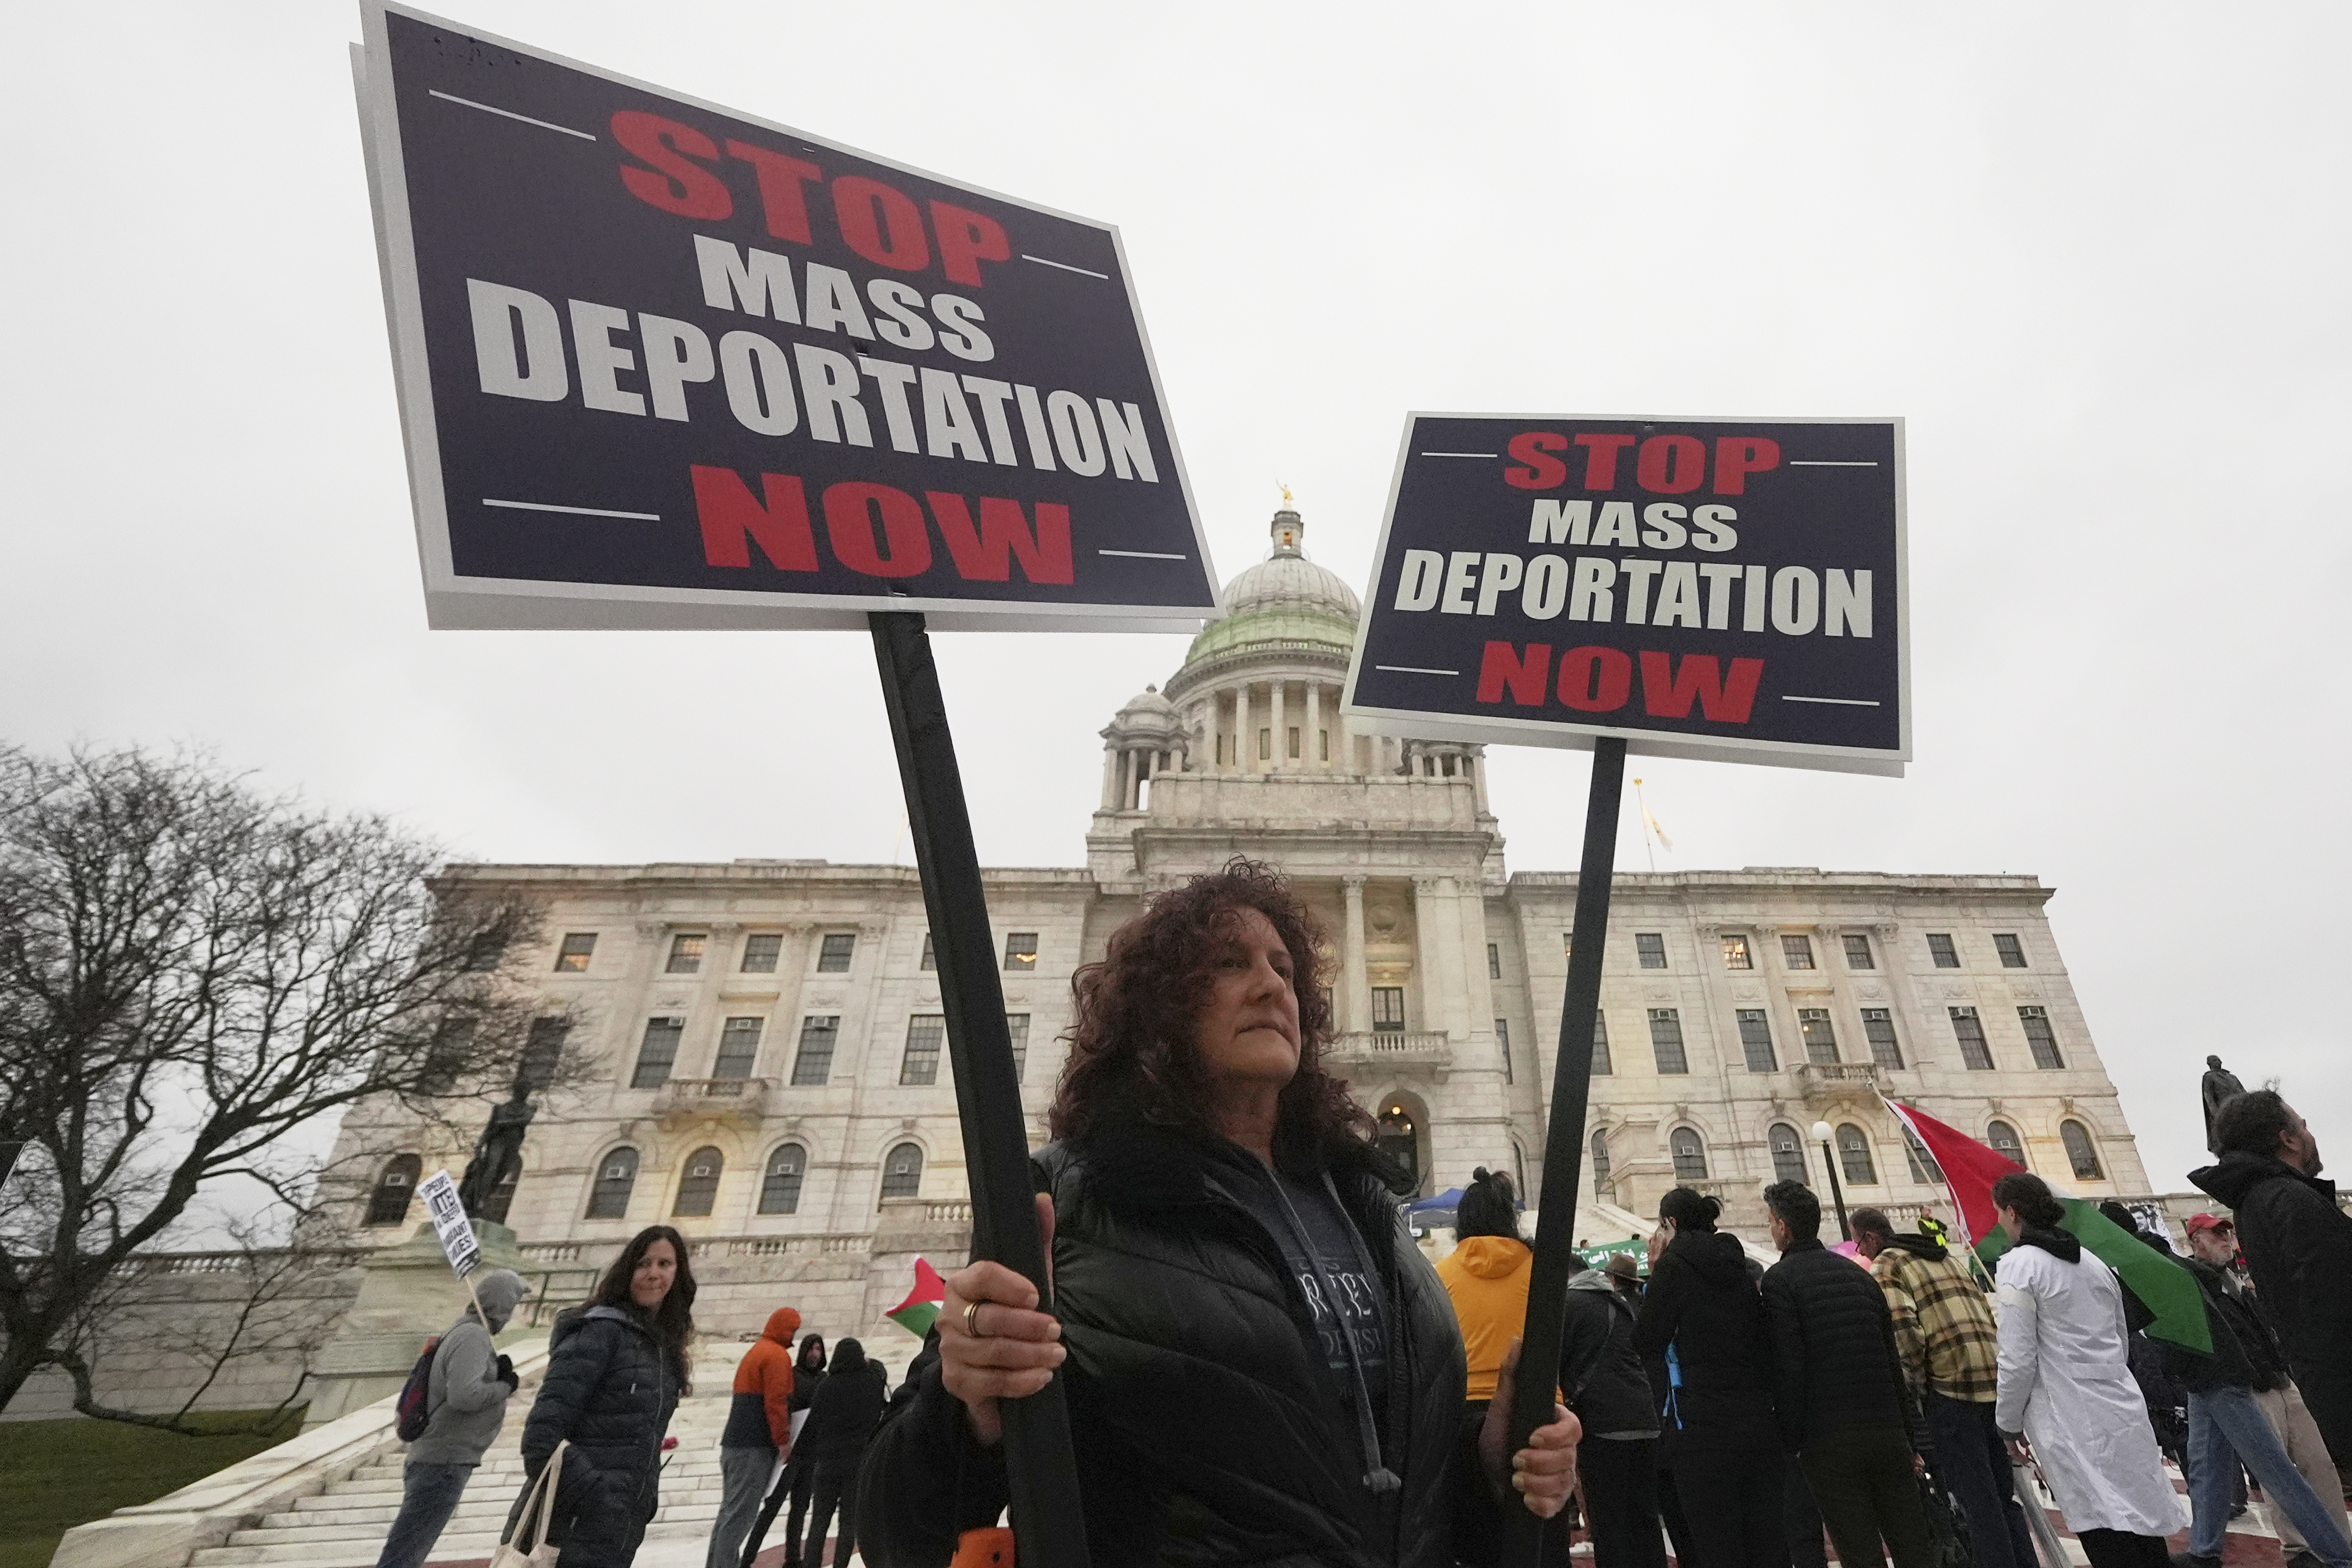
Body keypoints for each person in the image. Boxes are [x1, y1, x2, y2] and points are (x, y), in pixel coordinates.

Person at [858, 859, 1580, 1567]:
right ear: (1157, 1010)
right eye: (1231, 963)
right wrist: (968, 1408)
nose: (1272, 984)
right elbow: (897, 1529)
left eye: (1287, 970)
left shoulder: (1367, 1207)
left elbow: (1387, 1480)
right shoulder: (1069, 1200)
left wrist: (1493, 1463)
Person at [1988, 1172, 2186, 1568]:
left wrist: (2007, 1423)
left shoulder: (2018, 1266)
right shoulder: (2093, 1263)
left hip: (2069, 1418)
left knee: (2103, 1529)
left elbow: (2016, 1357)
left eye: (1998, 1214)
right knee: (2143, 1530)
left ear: (2012, 1213)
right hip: (2119, 1406)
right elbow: (2120, 1335)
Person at [1850, 1207, 2037, 1568]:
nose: (1860, 1252)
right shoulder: (1945, 1257)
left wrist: (1918, 1390)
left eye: (1859, 1243)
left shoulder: (1888, 1265)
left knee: (1977, 1502)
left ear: (1872, 1238)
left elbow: (1904, 1334)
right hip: (1991, 1381)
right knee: (2002, 1496)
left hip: (1951, 1389)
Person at [1758, 1182, 1931, 1568]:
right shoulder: (1860, 1277)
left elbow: (1789, 1366)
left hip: (1828, 1439)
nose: (1770, 1229)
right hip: (1886, 1429)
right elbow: (1891, 1360)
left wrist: (1791, 1439)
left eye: (1771, 1221)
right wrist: (1908, 1435)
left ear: (1784, 1227)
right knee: (1912, 1544)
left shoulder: (1779, 1282)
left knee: (1859, 1549)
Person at [2169, 1212, 2351, 1568]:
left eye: (2227, 1232)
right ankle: (2303, 1549)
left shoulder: (2234, 1279)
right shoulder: (2196, 1280)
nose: (2226, 1238)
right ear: (2196, 1241)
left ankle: (2336, 1541)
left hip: (2277, 1379)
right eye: (2215, 1233)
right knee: (2277, 1470)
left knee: (2317, 1464)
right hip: (2250, 1384)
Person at [519, 1226, 696, 1568]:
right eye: (644, 1263)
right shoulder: (599, 1332)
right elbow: (541, 1439)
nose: (653, 1274)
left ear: (679, 1273)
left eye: (665, 1264)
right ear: (627, 1270)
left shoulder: (661, 1349)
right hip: (566, 1527)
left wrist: (641, 1500)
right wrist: (599, 1498)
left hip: (616, 1531)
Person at [2193, 1090, 2352, 1465]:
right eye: (2302, 1125)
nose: (2310, 1133)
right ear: (2288, 1138)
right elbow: (2333, 1301)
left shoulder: (2254, 1202)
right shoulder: (2290, 1199)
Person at [1632, 1185, 1787, 1568]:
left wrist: (1654, 1276)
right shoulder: (1735, 1260)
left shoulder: (1673, 1266)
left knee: (1716, 1542)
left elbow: (1646, 1341)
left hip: (1701, 1425)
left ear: (1670, 1223)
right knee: (1767, 1537)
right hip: (1756, 1419)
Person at [375, 1268, 531, 1568]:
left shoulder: (468, 1333)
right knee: (405, 1553)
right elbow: (464, 1396)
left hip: (444, 1458)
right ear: (501, 1305)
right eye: (511, 1307)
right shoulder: (472, 1336)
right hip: (443, 1461)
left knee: (408, 1547)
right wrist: (505, 1386)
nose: (511, 1315)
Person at [1433, 1167, 1535, 1566]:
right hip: (1534, 1407)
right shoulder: (1541, 1269)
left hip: (1461, 1415)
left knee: (1475, 1544)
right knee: (1538, 1541)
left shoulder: (1439, 1274)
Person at [1563, 1248, 1666, 1568]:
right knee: (1644, 1521)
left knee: (1610, 1523)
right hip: (1643, 1417)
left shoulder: (1570, 1304)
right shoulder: (1617, 1302)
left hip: (1604, 1424)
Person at [708, 1306, 801, 1568]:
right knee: (739, 1518)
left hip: (735, 1444)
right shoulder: (776, 1356)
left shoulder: (757, 1351)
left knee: (728, 1516)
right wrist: (783, 1441)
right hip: (754, 1447)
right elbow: (776, 1401)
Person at [800, 1338, 884, 1568]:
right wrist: (870, 1362)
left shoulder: (826, 1386)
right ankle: (840, 1565)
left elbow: (814, 1422)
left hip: (827, 1463)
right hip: (858, 1463)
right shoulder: (871, 1383)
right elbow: (880, 1373)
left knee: (819, 1520)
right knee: (849, 1523)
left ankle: (811, 1564)